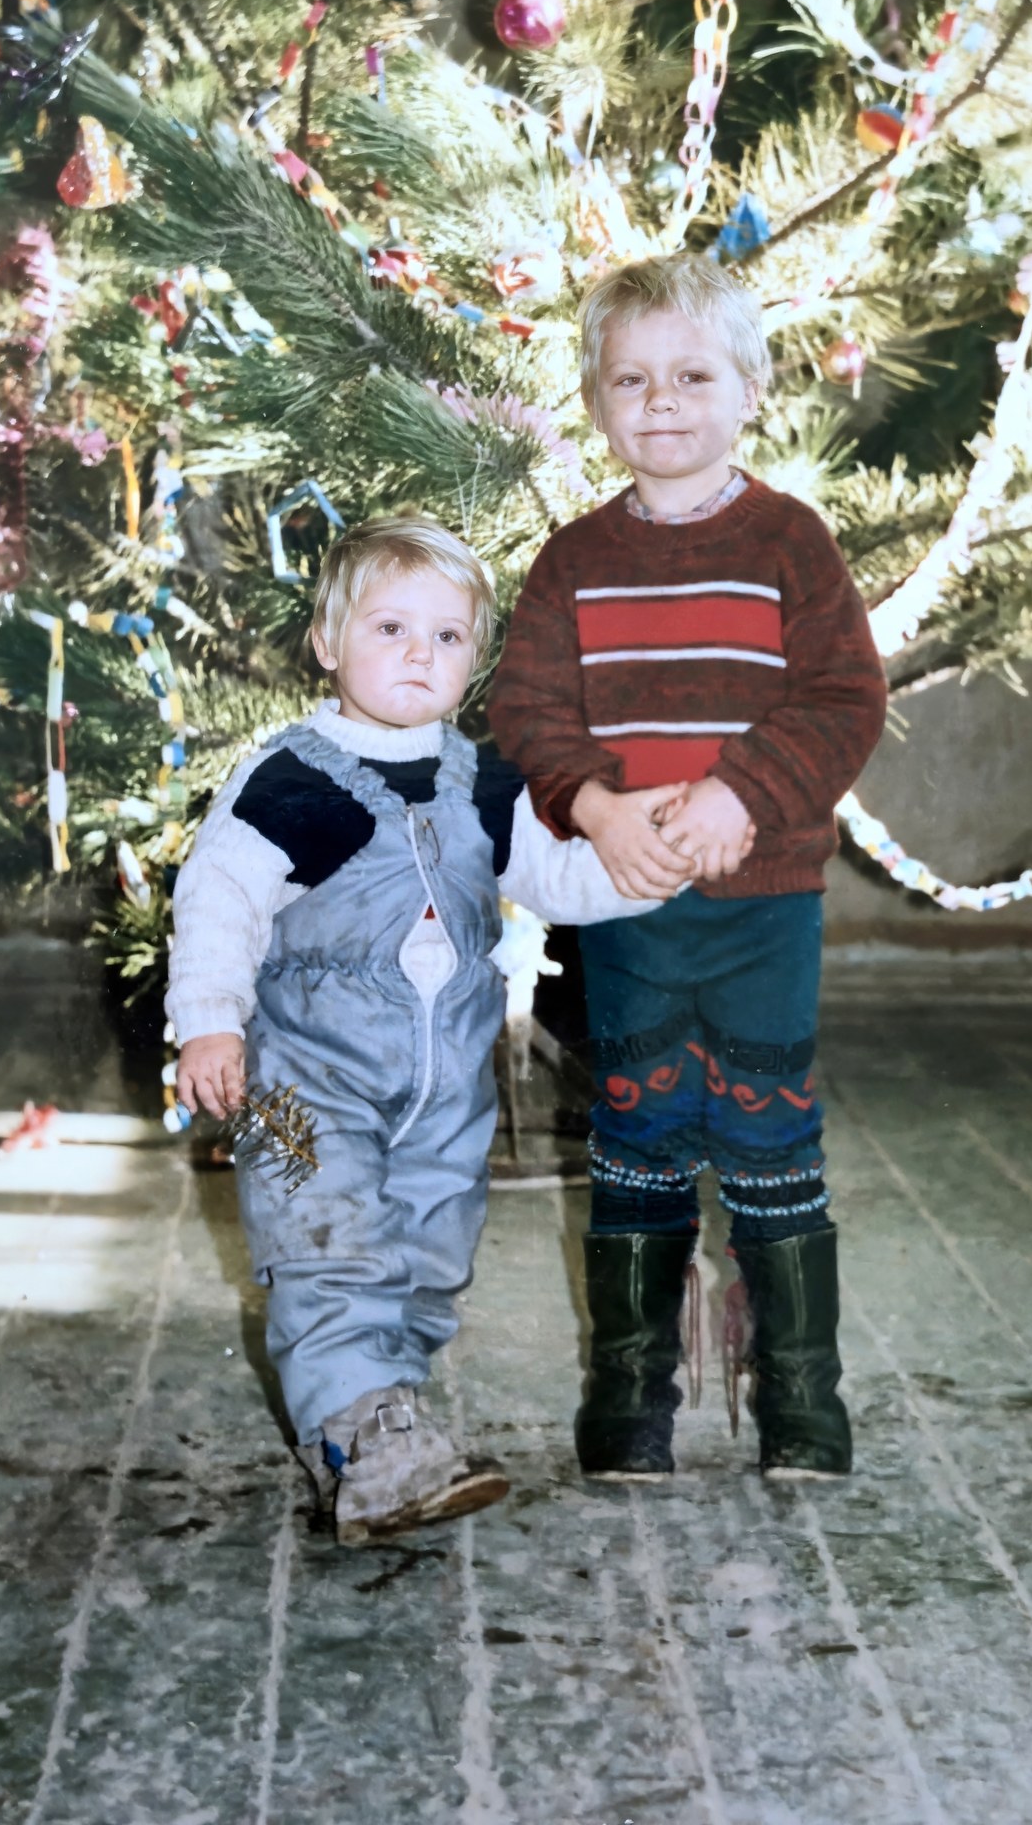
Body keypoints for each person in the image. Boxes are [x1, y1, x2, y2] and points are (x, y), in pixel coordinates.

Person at [168, 515, 683, 1543]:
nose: (419, 653)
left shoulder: (482, 781)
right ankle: (367, 1439)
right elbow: (218, 899)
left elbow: (558, 879)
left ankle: (373, 1432)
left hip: (446, 1089)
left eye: (447, 636)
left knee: (429, 1258)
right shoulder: (291, 780)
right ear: (327, 641)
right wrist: (209, 1025)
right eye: (391, 627)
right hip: (300, 1084)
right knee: (329, 1250)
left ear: (475, 657)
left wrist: (649, 867)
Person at [487, 254, 888, 1484]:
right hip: (631, 903)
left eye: (693, 376)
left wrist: (740, 792)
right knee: (640, 1127)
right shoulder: (572, 560)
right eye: (632, 380)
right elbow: (527, 712)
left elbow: (844, 698)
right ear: (597, 403)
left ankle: (803, 1395)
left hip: (765, 905)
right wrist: (595, 807)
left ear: (751, 390)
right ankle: (630, 1394)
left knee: (771, 1131)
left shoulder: (790, 542)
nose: (661, 399)